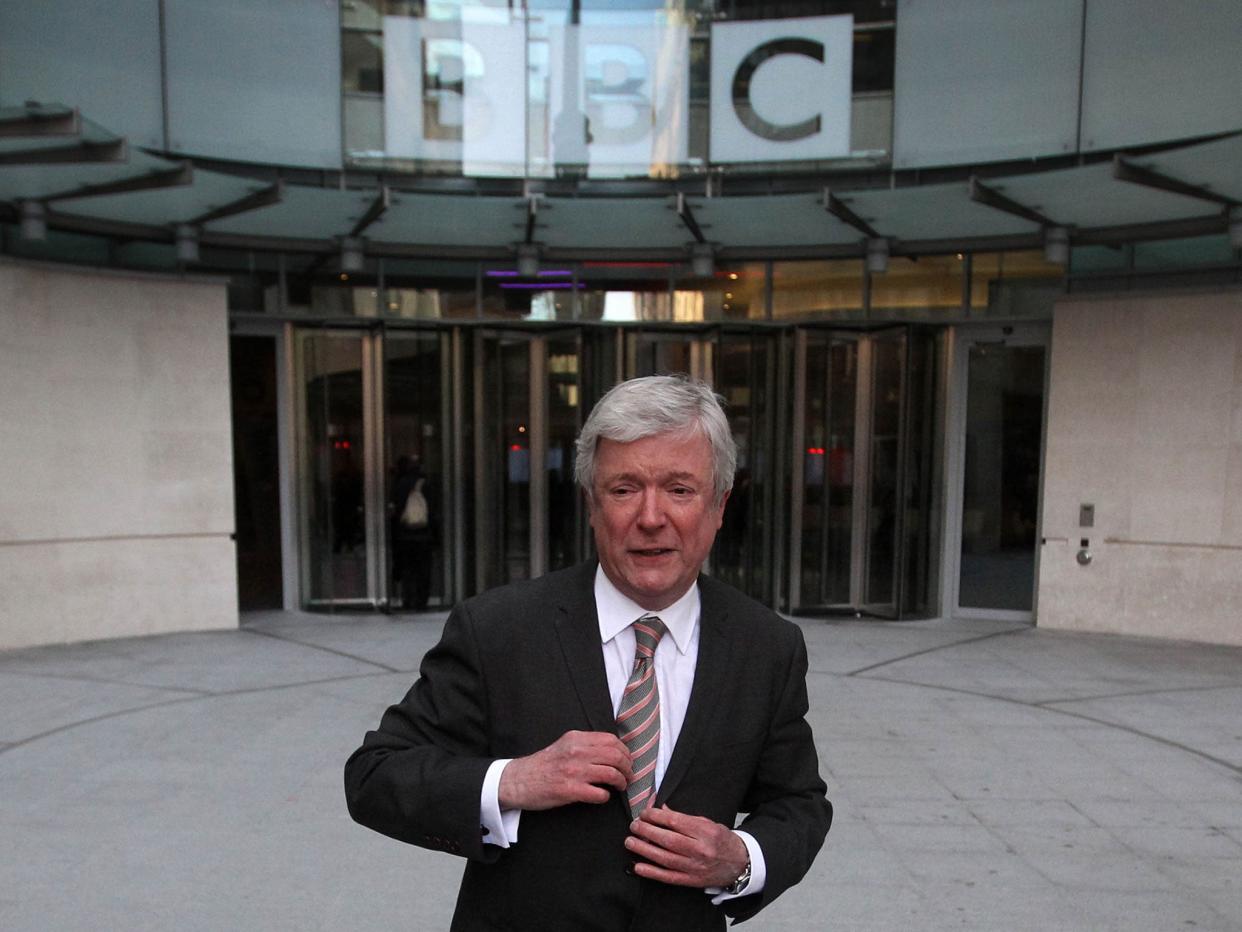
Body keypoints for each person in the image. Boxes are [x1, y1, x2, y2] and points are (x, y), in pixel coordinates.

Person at [344, 375, 831, 930]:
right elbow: (374, 776)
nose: (651, 517)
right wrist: (512, 781)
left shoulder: (766, 646)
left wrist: (741, 860)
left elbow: (800, 804)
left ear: (719, 505)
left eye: (679, 489)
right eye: (624, 489)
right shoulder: (498, 629)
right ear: (591, 505)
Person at [390, 454, 435, 611]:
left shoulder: (401, 484)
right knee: (423, 570)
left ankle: (408, 600)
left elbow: (396, 510)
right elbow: (433, 512)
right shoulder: (427, 484)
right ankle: (421, 601)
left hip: (405, 534)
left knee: (408, 569)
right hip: (423, 535)